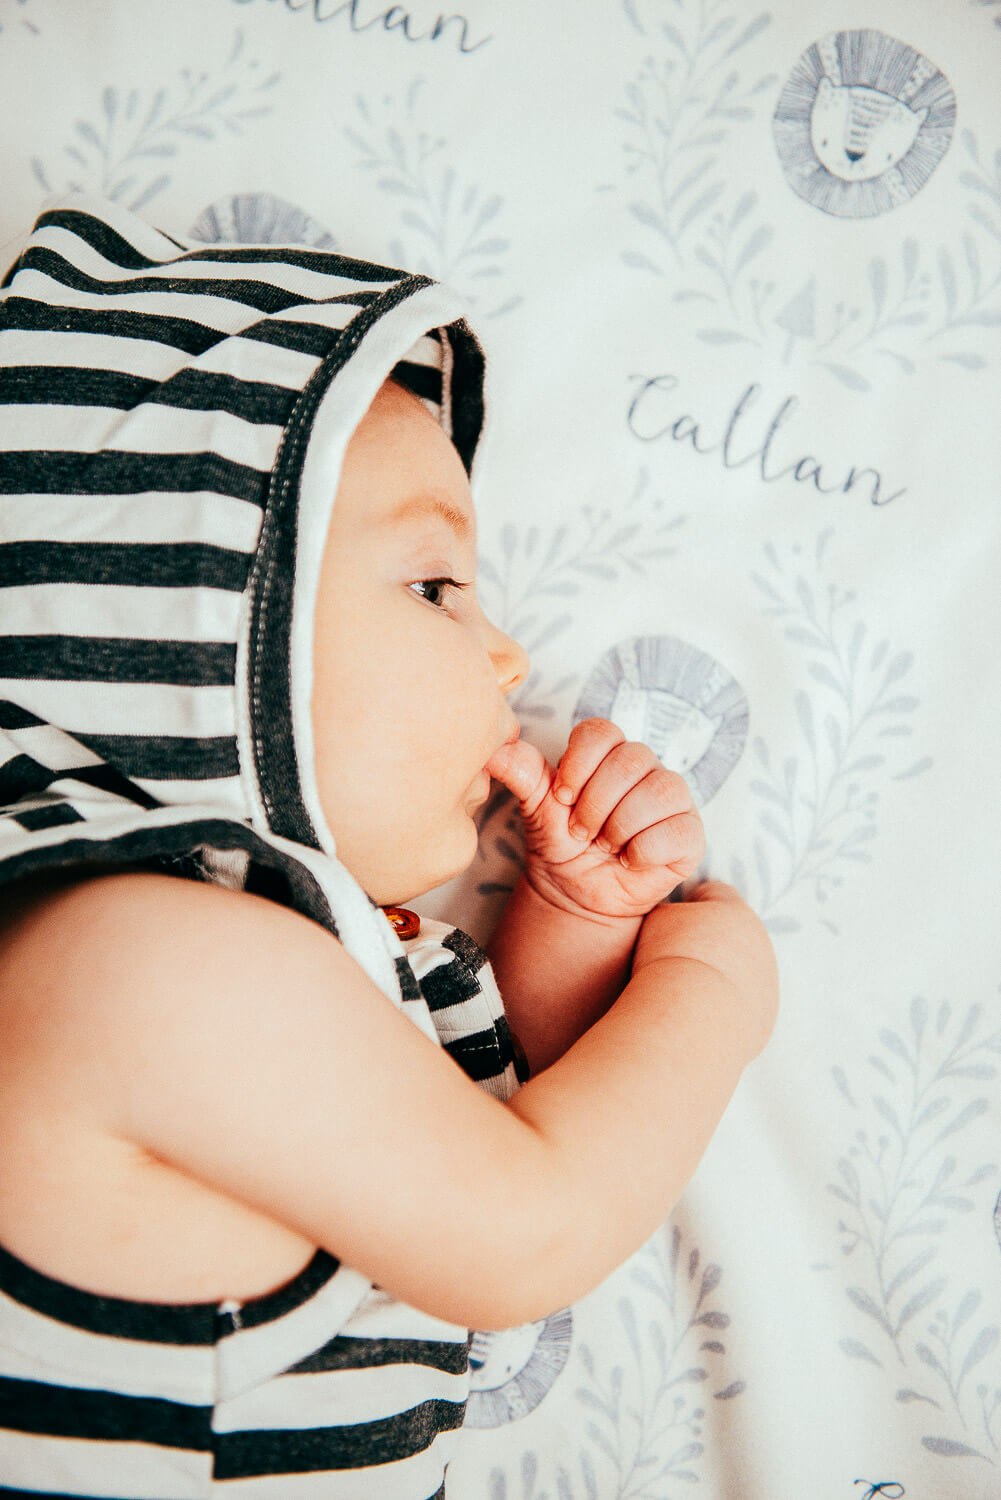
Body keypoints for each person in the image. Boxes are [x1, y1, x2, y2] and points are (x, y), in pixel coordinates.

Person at [0, 193, 778, 1498]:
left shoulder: (267, 958)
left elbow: (485, 1123)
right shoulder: (133, 961)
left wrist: (574, 922)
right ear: (188, 633)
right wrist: (709, 993)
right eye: (432, 585)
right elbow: (522, 1224)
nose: (507, 651)